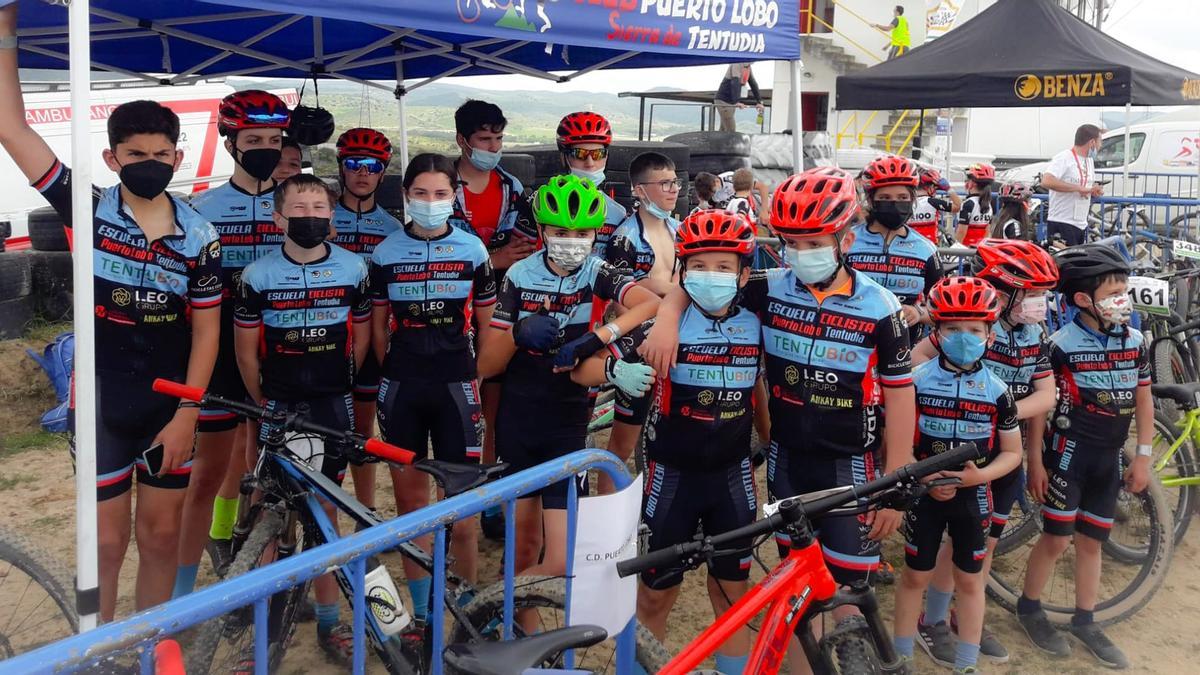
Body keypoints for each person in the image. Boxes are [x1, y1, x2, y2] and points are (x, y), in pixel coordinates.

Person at [0, 1, 222, 621]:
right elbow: (11, 129)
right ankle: (96, 647)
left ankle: (148, 647)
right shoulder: (85, 206)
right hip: (101, 401)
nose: (148, 163)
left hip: (169, 404)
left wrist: (187, 413)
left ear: (178, 159)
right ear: (112, 159)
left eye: (160, 153)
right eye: (135, 154)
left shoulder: (202, 236)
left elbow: (207, 332)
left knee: (158, 538)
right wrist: (5, 32)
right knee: (104, 541)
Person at [642, 168, 916, 671]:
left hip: (848, 468)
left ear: (846, 239)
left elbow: (900, 398)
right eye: (791, 242)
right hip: (786, 463)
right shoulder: (765, 290)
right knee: (792, 593)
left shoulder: (882, 307)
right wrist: (662, 319)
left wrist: (896, 484)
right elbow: (699, 277)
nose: (800, 252)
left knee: (848, 594)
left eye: (814, 242)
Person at [575, 210, 760, 675]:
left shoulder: (760, 322)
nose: (710, 276)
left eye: (723, 268)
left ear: (744, 275)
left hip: (733, 478)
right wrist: (619, 371)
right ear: (681, 271)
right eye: (698, 265)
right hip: (671, 478)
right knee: (654, 598)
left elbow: (762, 392)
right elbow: (582, 368)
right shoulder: (658, 324)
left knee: (731, 599)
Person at [478, 175, 660, 592]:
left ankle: (502, 607)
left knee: (561, 559)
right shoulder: (519, 275)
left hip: (567, 424)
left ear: (595, 234)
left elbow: (650, 303)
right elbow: (487, 363)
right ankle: (509, 625)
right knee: (523, 547)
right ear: (542, 231)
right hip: (518, 421)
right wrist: (519, 330)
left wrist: (599, 337)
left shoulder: (597, 271)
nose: (571, 241)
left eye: (581, 233)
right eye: (561, 232)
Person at [234, 174, 371, 666]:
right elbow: (247, 357)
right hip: (281, 405)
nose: (310, 214)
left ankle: (331, 626)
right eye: (299, 206)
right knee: (268, 518)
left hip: (333, 403)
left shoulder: (355, 269)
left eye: (319, 207)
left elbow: (359, 341)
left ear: (331, 217)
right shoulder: (255, 276)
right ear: (278, 217)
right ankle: (260, 635)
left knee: (324, 516)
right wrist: (267, 403)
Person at [910, 238, 1059, 666]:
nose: (1038, 303)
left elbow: (1045, 395)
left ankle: (962, 616)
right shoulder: (966, 327)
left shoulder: (1035, 335)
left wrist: (1027, 448)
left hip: (1002, 457)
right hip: (954, 452)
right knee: (949, 542)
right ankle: (931, 621)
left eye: (1041, 295)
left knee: (983, 547)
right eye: (1031, 294)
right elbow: (912, 370)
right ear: (1003, 289)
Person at [370, 153, 495, 622]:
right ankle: (424, 613)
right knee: (411, 505)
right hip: (402, 385)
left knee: (460, 507)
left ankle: (466, 607)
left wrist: (475, 375)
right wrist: (394, 370)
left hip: (456, 385)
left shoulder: (472, 251)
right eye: (420, 194)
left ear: (454, 196)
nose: (430, 202)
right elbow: (379, 329)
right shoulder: (384, 253)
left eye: (440, 194)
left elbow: (486, 326)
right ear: (406, 196)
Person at [1018, 244, 1151, 669]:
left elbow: (1144, 401)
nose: (1123, 299)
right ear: (1081, 299)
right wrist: (1034, 461)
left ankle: (1086, 619)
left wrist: (1144, 456)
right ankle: (1030, 607)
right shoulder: (1058, 344)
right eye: (1114, 292)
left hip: (1109, 458)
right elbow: (1041, 407)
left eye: (1124, 290)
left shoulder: (1135, 341)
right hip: (1067, 454)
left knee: (1094, 540)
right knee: (1057, 539)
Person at [182, 90, 291, 590]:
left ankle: (266, 561)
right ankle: (213, 547)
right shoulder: (201, 210)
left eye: (275, 139)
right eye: (254, 139)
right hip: (222, 351)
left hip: (283, 348)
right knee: (210, 467)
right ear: (230, 143)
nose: (266, 147)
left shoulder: (296, 205)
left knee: (273, 466)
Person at [891, 276, 1023, 675]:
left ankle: (967, 664)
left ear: (990, 334)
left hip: (972, 496)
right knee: (915, 576)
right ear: (936, 332)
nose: (963, 337)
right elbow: (901, 445)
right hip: (924, 494)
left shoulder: (999, 391)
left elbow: (1013, 454)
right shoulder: (915, 381)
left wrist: (975, 478)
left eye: (974, 329)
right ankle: (900, 659)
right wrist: (923, 480)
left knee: (970, 581)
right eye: (952, 328)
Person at [450, 99, 536, 538]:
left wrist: (505, 262)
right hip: (453, 316)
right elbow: (437, 250)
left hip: (502, 311)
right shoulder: (440, 186)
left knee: (496, 412)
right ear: (463, 140)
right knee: (460, 416)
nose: (494, 146)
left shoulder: (512, 187)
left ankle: (490, 499)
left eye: (499, 138)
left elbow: (524, 246)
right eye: (485, 139)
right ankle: (457, 502)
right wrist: (495, 258)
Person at [330, 128, 402, 512]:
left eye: (372, 166)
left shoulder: (392, 229)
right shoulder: (321, 215)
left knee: (365, 432)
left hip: (373, 339)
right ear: (341, 167)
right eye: (353, 164)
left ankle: (366, 511)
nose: (362, 173)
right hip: (322, 338)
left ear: (382, 172)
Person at [602, 152, 681, 495]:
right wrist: (660, 289)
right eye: (664, 183)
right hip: (639, 347)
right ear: (640, 190)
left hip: (678, 339)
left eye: (675, 182)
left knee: (668, 435)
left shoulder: (680, 229)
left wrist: (657, 286)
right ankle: (605, 515)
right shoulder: (624, 238)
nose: (673, 189)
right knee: (623, 440)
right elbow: (621, 303)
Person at [844, 155, 941, 339]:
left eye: (902, 197)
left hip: (906, 348)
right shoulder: (849, 241)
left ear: (913, 199)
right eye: (885, 197)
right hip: (855, 345)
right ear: (871, 201)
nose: (895, 203)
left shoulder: (927, 250)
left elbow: (943, 312)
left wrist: (918, 313)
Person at [555, 111, 627, 256]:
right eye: (579, 154)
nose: (590, 163)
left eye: (598, 154)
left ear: (607, 157)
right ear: (564, 157)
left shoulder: (618, 213)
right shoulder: (539, 203)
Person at [1040, 124, 1104, 247]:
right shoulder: (1064, 158)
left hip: (1080, 223)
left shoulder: (1089, 161)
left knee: (1077, 263)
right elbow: (1046, 181)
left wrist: (1092, 190)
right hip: (1062, 221)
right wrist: (1078, 188)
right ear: (1092, 142)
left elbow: (1084, 185)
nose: (1100, 146)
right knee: (1064, 264)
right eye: (1100, 142)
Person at [910, 167, 960, 243]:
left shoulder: (907, 203)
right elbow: (958, 206)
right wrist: (948, 189)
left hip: (910, 245)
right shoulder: (933, 202)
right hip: (930, 246)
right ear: (930, 187)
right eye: (935, 189)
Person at [713, 63, 764, 132]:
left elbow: (753, 83)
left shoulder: (748, 67)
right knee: (731, 129)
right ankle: (732, 142)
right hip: (723, 100)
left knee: (724, 128)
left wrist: (759, 102)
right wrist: (737, 101)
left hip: (731, 102)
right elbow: (735, 82)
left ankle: (716, 142)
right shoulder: (736, 64)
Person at [955, 164, 995, 247]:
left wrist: (954, 249)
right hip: (979, 250)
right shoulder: (988, 204)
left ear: (972, 183)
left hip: (965, 250)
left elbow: (961, 232)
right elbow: (987, 232)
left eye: (967, 180)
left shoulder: (968, 204)